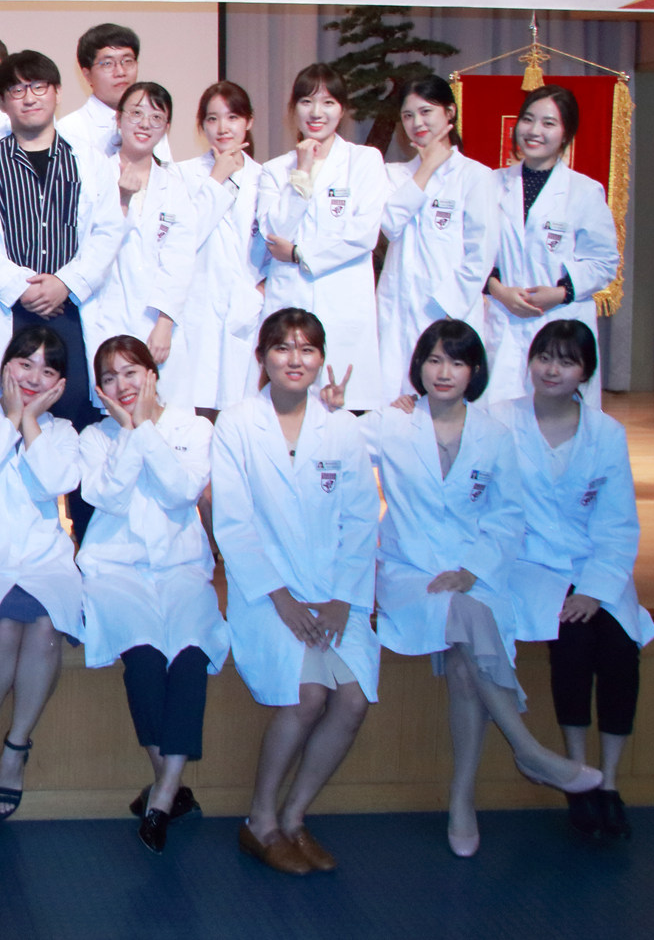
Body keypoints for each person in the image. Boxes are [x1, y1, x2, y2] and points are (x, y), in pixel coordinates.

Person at [371, 319, 603, 858]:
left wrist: (472, 570)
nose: (443, 371)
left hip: (475, 573)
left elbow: (507, 516)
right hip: (409, 572)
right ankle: (528, 750)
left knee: (464, 658)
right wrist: (334, 404)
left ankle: (462, 799)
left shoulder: (494, 434)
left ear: (474, 371)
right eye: (434, 359)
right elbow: (327, 441)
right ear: (418, 366)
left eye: (456, 361)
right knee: (469, 618)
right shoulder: (389, 423)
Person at [210, 309, 379, 875]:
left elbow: (361, 519)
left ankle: (295, 815)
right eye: (282, 348)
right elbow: (234, 524)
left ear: (321, 360)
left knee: (352, 700)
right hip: (266, 592)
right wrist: (281, 599)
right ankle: (260, 821)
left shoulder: (342, 427)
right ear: (262, 357)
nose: (294, 359)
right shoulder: (237, 424)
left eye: (307, 349)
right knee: (308, 696)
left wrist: (342, 598)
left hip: (334, 592)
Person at [0, 49, 124, 538]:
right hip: (11, 315)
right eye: (17, 90)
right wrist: (20, 288)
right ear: (4, 101)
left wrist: (66, 282)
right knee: (7, 424)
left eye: (38, 87)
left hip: (72, 312)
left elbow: (108, 231)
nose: (29, 98)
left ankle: (85, 544)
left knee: (78, 423)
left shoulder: (87, 160)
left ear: (56, 93)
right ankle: (8, 540)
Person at [501, 319, 654, 840]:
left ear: (585, 373)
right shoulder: (499, 422)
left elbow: (617, 523)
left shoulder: (606, 434)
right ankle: (576, 773)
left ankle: (608, 781)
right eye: (544, 357)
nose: (552, 369)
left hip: (593, 564)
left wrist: (594, 587)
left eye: (567, 361)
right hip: (530, 565)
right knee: (571, 641)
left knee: (619, 647)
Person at [75, 336, 226, 855]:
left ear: (153, 374)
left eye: (131, 372)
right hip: (116, 568)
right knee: (142, 656)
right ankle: (169, 791)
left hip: (181, 566)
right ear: (99, 389)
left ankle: (161, 793)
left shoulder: (194, 428)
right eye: (109, 377)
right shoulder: (94, 437)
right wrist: (132, 431)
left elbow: (181, 492)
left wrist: (144, 431)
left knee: (189, 655)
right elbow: (108, 497)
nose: (122, 385)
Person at [0, 326, 85, 823]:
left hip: (43, 556)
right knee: (3, 625)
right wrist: (11, 419)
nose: (33, 377)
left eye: (47, 370)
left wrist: (30, 422)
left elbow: (55, 482)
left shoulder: (63, 432)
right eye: (25, 363)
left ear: (60, 384)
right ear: (6, 364)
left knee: (46, 626)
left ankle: (16, 747)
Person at [256, 64, 387, 411]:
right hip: (290, 300)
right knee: (287, 410)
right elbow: (276, 234)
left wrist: (299, 254)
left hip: (342, 301)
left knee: (344, 412)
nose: (316, 112)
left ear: (342, 110)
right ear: (293, 109)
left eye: (328, 102)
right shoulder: (275, 170)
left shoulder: (364, 160)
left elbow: (363, 234)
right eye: (306, 102)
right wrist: (301, 172)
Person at [85, 82, 230, 386]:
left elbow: (179, 259)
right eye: (136, 113)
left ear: (167, 127)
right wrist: (122, 201)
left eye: (156, 117)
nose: (145, 124)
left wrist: (164, 321)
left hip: (156, 322)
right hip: (105, 314)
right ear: (118, 118)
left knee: (164, 403)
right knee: (111, 398)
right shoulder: (93, 176)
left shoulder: (173, 185)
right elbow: (89, 247)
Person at [484, 86, 621, 407]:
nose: (534, 131)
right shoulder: (489, 183)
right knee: (497, 417)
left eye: (548, 123)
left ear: (566, 134)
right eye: (528, 120)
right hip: (503, 316)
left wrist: (558, 293)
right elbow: (470, 251)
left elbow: (603, 263)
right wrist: (498, 290)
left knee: (558, 420)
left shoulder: (585, 191)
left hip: (560, 319)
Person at [377, 75, 499, 400]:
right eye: (407, 115)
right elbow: (390, 224)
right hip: (398, 307)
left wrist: (448, 306)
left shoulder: (476, 176)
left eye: (426, 111)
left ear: (450, 112)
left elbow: (481, 254)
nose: (416, 123)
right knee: (397, 402)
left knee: (449, 402)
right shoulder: (394, 174)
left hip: (449, 309)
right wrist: (426, 167)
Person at [166, 81, 265, 414]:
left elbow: (273, 244)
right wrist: (216, 179)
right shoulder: (181, 175)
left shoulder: (266, 178)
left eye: (233, 117)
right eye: (212, 119)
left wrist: (260, 290)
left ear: (249, 121)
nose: (223, 128)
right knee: (196, 405)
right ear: (201, 125)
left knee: (244, 407)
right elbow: (183, 238)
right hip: (198, 305)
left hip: (247, 308)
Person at [56, 22, 141, 161]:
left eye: (127, 61)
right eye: (107, 63)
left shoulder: (149, 123)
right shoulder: (69, 130)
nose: (120, 72)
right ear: (87, 75)